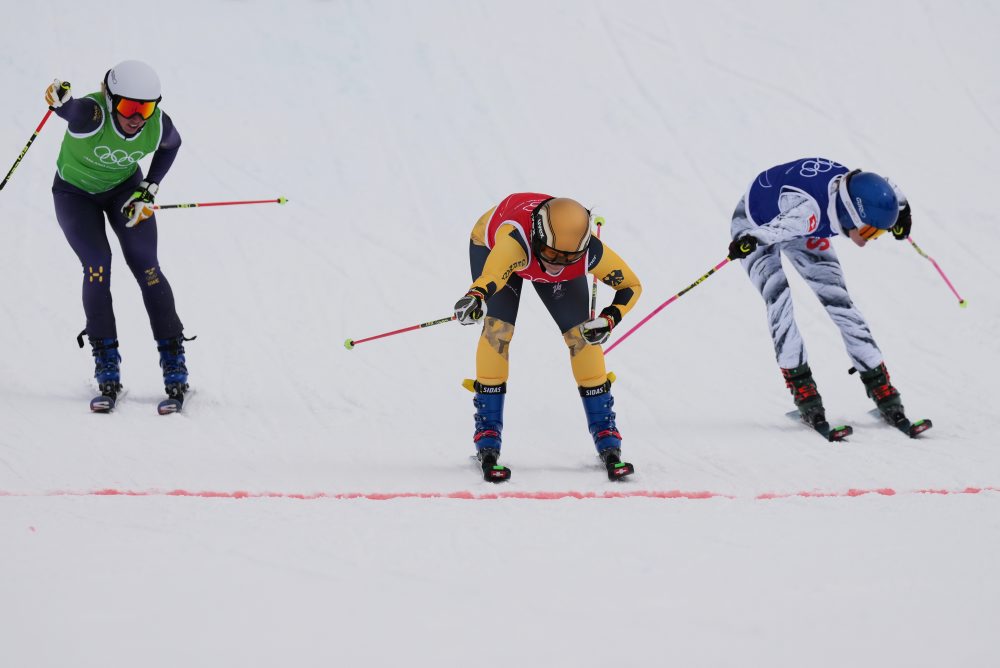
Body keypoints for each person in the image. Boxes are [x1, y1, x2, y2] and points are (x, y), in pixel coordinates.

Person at [726, 157, 924, 433]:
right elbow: (775, 231)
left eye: (877, 234)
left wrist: (902, 212)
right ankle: (803, 390)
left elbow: (888, 188)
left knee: (840, 302)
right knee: (779, 300)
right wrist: (747, 242)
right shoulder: (809, 213)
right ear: (850, 215)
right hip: (754, 224)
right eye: (868, 230)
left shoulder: (856, 193)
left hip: (802, 225)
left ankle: (881, 386)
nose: (867, 240)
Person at [453, 194, 643, 481]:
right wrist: (475, 297)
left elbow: (631, 285)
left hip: (539, 251)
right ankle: (488, 434)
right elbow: (490, 278)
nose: (557, 265)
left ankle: (606, 434)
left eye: (569, 258)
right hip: (491, 243)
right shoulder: (516, 244)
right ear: (539, 236)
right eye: (553, 255)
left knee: (583, 336)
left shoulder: (588, 251)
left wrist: (608, 318)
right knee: (497, 331)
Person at [44, 60, 190, 408]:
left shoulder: (157, 124)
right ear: (110, 99)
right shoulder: (92, 116)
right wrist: (61, 102)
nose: (137, 116)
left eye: (146, 106)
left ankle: (173, 361)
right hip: (75, 195)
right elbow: (72, 110)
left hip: (125, 190)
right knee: (97, 265)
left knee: (146, 266)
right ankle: (106, 363)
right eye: (128, 106)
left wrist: (148, 189)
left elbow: (172, 144)